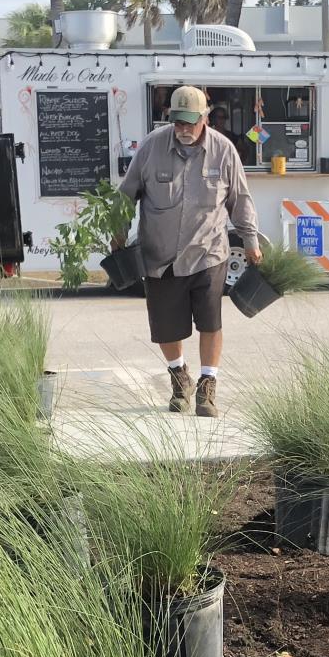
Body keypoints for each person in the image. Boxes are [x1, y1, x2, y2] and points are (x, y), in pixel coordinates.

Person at [115, 85, 260, 418]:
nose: (181, 129)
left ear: (204, 118)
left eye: (188, 123)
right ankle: (180, 377)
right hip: (160, 255)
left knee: (210, 322)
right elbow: (126, 194)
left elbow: (241, 199)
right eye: (176, 121)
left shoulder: (224, 151)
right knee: (167, 328)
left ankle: (208, 386)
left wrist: (250, 242)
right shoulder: (152, 147)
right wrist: (118, 233)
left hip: (208, 253)